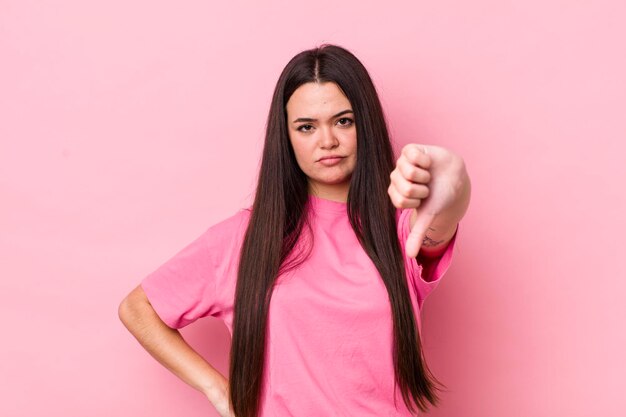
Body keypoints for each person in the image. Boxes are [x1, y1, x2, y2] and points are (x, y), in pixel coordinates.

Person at [118, 43, 471, 417]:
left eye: (343, 121)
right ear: (285, 137)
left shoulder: (400, 229)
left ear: (365, 125)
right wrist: (217, 389)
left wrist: (456, 185)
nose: (327, 141)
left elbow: (441, 218)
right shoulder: (244, 239)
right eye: (306, 127)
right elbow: (137, 309)